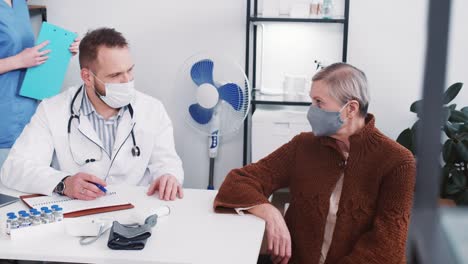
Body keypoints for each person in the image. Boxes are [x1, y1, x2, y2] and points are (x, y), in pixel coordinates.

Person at [214, 63, 416, 264]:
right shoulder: (303, 145)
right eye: (312, 101)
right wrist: (269, 211)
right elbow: (238, 181)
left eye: (319, 102)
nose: (311, 110)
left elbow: (386, 248)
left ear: (351, 109)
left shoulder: (398, 163)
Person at [0, 27, 184, 201]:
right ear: (87, 77)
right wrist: (64, 183)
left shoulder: (152, 109)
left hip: (137, 211)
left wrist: (169, 176)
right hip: (79, 216)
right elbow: (14, 169)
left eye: (129, 70)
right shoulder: (52, 110)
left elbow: (168, 163)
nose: (127, 81)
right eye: (115, 75)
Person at [0, 0, 80, 166]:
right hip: (4, 119)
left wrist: (61, 50)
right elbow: (20, 57)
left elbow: (25, 54)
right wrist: (18, 60)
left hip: (28, 111)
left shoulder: (19, 3)